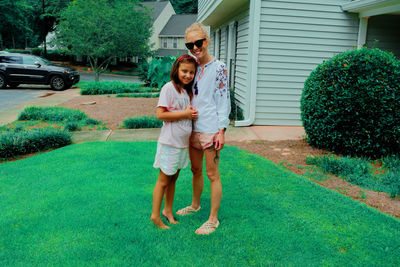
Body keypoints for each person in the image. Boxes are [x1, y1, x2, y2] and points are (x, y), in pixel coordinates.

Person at [176, 22, 231, 235]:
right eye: (190, 45)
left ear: (207, 41)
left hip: (210, 128)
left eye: (198, 42)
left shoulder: (219, 67)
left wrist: (222, 130)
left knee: (212, 174)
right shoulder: (191, 65)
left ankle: (213, 219)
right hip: (192, 129)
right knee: (195, 170)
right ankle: (195, 205)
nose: (195, 47)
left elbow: (223, 98)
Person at [151, 55, 198, 229]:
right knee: (164, 180)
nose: (188, 75)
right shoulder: (168, 88)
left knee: (173, 179)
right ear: (176, 70)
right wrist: (185, 114)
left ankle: (167, 211)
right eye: (184, 71)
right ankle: (155, 215)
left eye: (191, 72)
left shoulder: (186, 91)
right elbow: (160, 114)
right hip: (170, 142)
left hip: (182, 144)